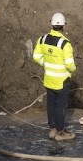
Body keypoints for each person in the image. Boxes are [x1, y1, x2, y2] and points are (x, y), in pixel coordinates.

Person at [33, 12, 77, 141]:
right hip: (62, 81)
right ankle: (60, 132)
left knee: (51, 104)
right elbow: (70, 65)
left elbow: (36, 57)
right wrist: (73, 69)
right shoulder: (65, 44)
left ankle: (52, 129)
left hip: (48, 79)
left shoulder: (43, 39)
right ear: (64, 26)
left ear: (51, 24)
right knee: (60, 106)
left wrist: (46, 65)